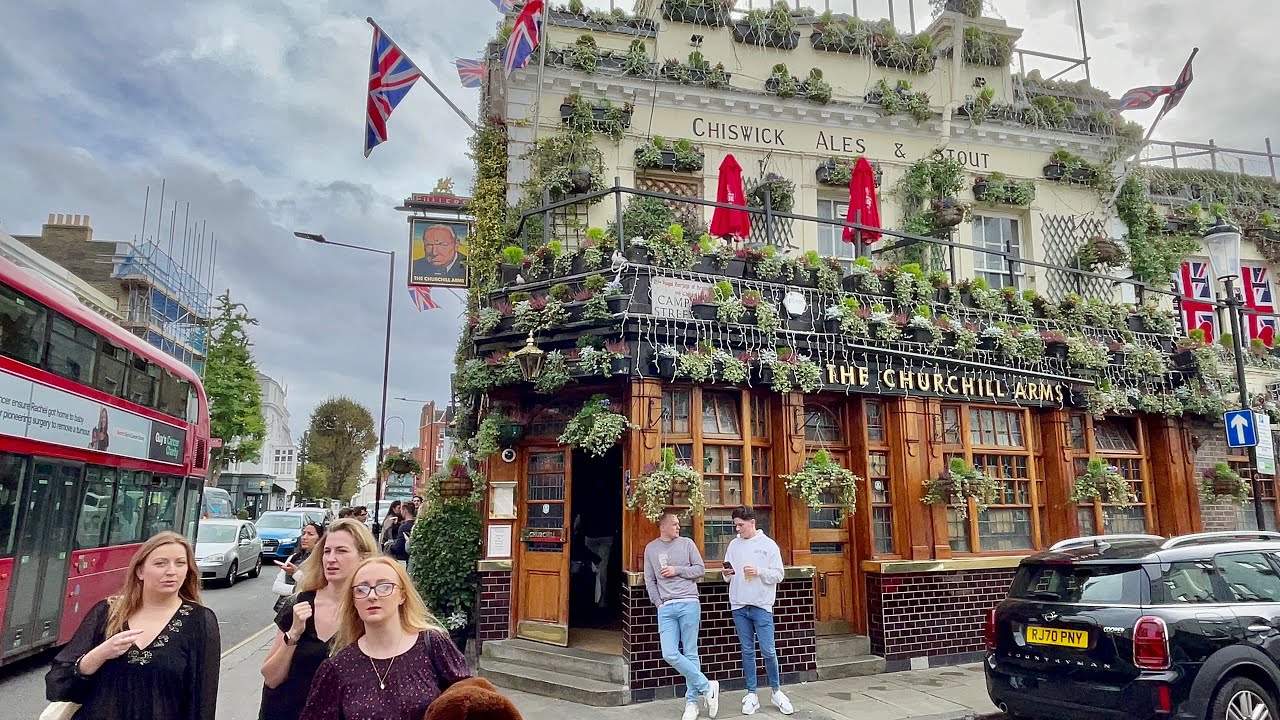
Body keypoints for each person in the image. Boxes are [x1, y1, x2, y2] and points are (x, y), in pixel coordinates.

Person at [45, 531, 220, 720]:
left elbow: (202, 703)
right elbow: (58, 687)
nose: (171, 571)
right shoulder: (107, 612)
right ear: (140, 571)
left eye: (180, 563)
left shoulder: (200, 621)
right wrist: (101, 653)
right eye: (160, 563)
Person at [298, 557, 470, 720]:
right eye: (362, 589)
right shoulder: (338, 667)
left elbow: (470, 703)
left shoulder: (432, 644)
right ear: (354, 601)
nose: (372, 596)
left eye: (384, 586)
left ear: (402, 595)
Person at [259, 519, 379, 720]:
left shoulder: (371, 611)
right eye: (327, 551)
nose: (331, 559)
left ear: (363, 557)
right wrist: (293, 635)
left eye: (341, 551)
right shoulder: (299, 603)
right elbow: (271, 678)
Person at [644, 512, 718, 720]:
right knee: (669, 653)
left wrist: (677, 570)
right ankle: (707, 686)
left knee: (691, 652)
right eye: (675, 524)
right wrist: (658, 603)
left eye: (679, 524)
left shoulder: (687, 544)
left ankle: (692, 703)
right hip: (666, 606)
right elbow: (650, 580)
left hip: (688, 602)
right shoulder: (651, 548)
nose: (679, 527)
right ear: (664, 526)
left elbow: (700, 569)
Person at [722, 506, 791, 716]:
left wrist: (758, 571)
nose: (737, 529)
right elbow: (728, 574)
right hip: (739, 604)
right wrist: (727, 573)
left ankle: (776, 691)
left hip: (761, 605)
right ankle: (751, 693)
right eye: (735, 525)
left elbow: (779, 574)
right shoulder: (733, 545)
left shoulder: (768, 545)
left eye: (740, 525)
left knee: (768, 651)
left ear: (752, 522)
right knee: (747, 650)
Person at [271, 522, 323, 613]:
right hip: (285, 609)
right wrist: (297, 589)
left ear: (320, 539)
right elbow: (276, 587)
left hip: (307, 610)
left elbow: (314, 587)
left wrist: (295, 573)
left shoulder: (322, 560)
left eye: (310, 534)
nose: (304, 537)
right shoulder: (294, 558)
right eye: (303, 533)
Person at [391, 502, 417, 567]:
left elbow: (398, 548)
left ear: (405, 510)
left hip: (403, 560)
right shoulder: (416, 524)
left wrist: (389, 546)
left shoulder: (403, 527)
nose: (400, 512)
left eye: (401, 510)